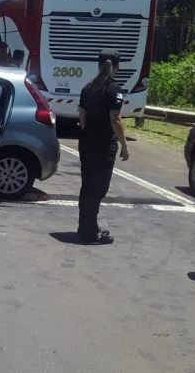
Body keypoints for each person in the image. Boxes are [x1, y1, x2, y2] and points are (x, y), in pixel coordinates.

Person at [76, 49, 129, 245]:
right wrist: (124, 145)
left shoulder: (87, 88)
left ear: (98, 66)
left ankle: (85, 226)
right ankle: (90, 233)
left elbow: (82, 115)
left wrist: (88, 132)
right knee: (98, 188)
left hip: (87, 142)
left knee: (87, 184)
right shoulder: (114, 90)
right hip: (104, 144)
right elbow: (115, 120)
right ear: (116, 67)